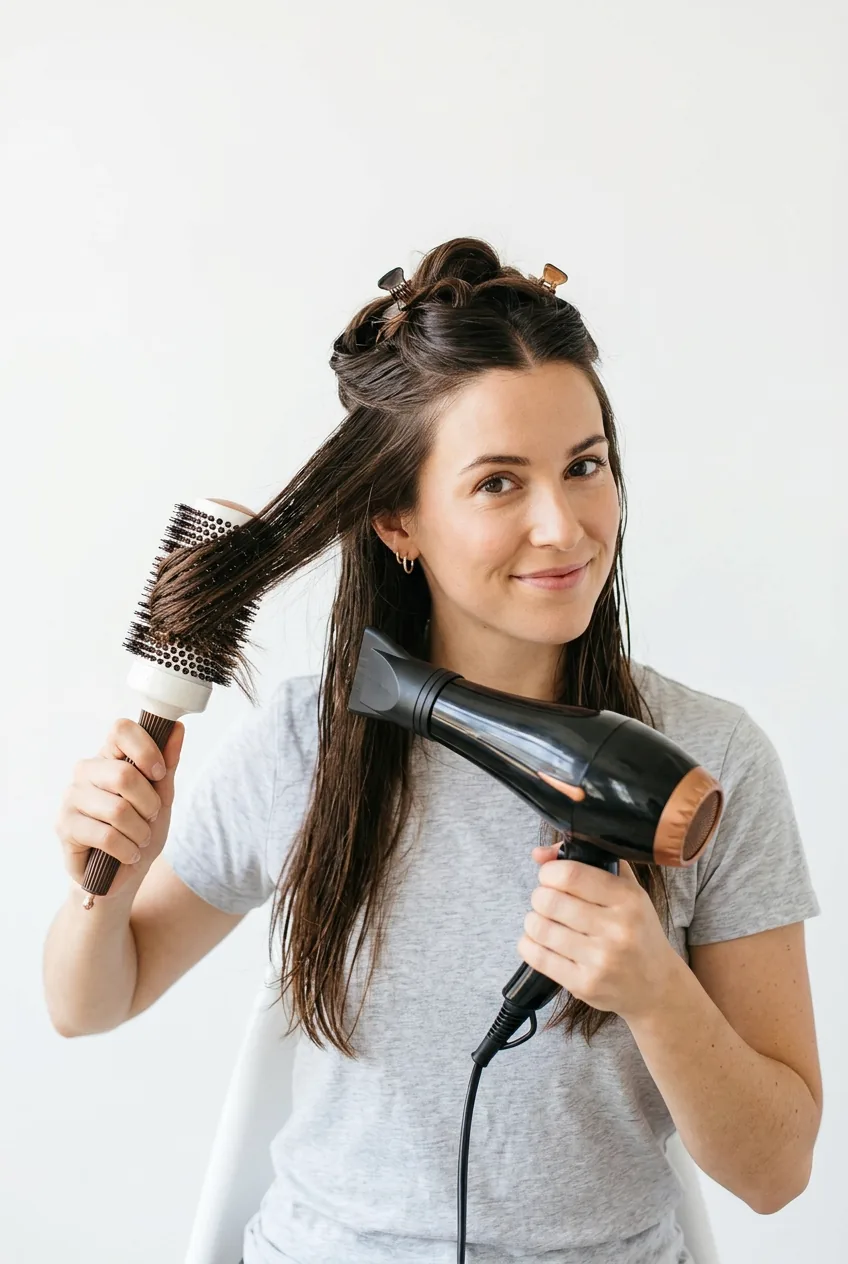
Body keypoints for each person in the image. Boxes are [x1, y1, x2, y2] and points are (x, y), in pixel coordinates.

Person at [45, 236, 823, 1264]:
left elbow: (776, 1173)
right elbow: (87, 1002)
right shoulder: (308, 744)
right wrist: (106, 882)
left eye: (584, 466)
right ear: (397, 521)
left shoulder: (706, 759)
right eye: (498, 483)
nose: (564, 527)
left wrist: (654, 992)